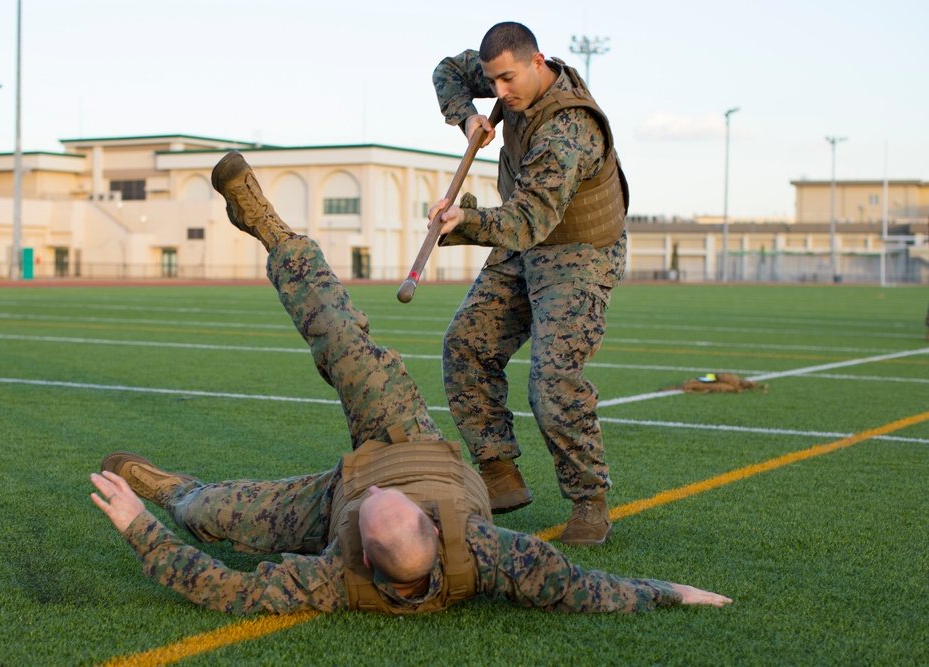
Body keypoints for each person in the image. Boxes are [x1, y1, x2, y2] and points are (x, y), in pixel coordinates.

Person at [89, 150, 731, 615]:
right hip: (406, 438)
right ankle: (270, 229)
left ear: (359, 554)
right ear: (430, 523)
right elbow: (588, 588)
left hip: (331, 498)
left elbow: (225, 589)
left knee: (206, 515)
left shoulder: (335, 575)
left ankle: (175, 492)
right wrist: (670, 592)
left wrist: (139, 524)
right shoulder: (490, 551)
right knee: (342, 339)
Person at [429, 22, 629, 545]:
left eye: (508, 80)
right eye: (492, 82)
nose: (501, 92)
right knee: (465, 345)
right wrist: (467, 116)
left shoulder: (569, 132)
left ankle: (589, 501)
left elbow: (525, 221)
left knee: (552, 380)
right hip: (526, 245)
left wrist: (464, 223)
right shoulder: (505, 76)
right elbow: (448, 70)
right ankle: (499, 473)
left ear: (538, 62)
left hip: (577, 252)